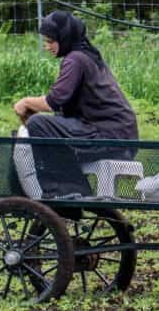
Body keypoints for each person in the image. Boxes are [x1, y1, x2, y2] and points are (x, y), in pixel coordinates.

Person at [12, 11, 139, 197]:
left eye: (50, 41)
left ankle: (65, 191)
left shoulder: (75, 59)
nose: (47, 46)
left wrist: (26, 102)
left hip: (108, 135)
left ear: (64, 37)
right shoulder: (86, 55)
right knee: (49, 126)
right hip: (121, 135)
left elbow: (54, 101)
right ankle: (73, 189)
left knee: (38, 124)